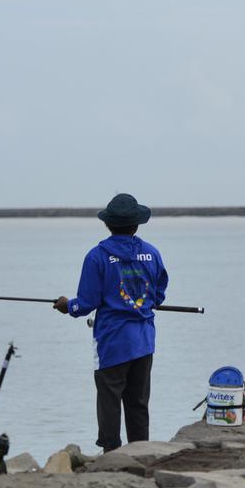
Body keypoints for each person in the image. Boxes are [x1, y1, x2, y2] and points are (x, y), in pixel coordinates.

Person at [54, 193, 168, 452]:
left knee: (109, 399)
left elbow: (85, 303)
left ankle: (111, 454)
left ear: (108, 224)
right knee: (138, 401)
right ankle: (141, 452)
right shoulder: (152, 253)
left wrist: (66, 305)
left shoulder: (97, 257)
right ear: (137, 225)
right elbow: (159, 294)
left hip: (112, 342)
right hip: (144, 340)